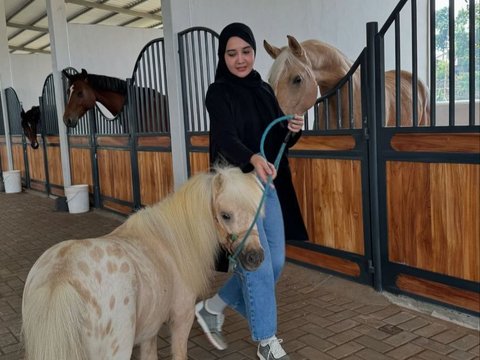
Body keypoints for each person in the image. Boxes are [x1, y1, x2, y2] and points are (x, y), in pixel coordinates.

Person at [195, 22, 308, 360]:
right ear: (223, 56)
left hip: (267, 185)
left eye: (245, 51)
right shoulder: (218, 92)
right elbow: (226, 138)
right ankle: (266, 341)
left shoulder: (263, 90)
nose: (240, 59)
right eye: (232, 53)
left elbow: (279, 141)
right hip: (237, 187)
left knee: (275, 263)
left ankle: (212, 307)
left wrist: (293, 130)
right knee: (255, 264)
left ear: (253, 53)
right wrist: (252, 156)